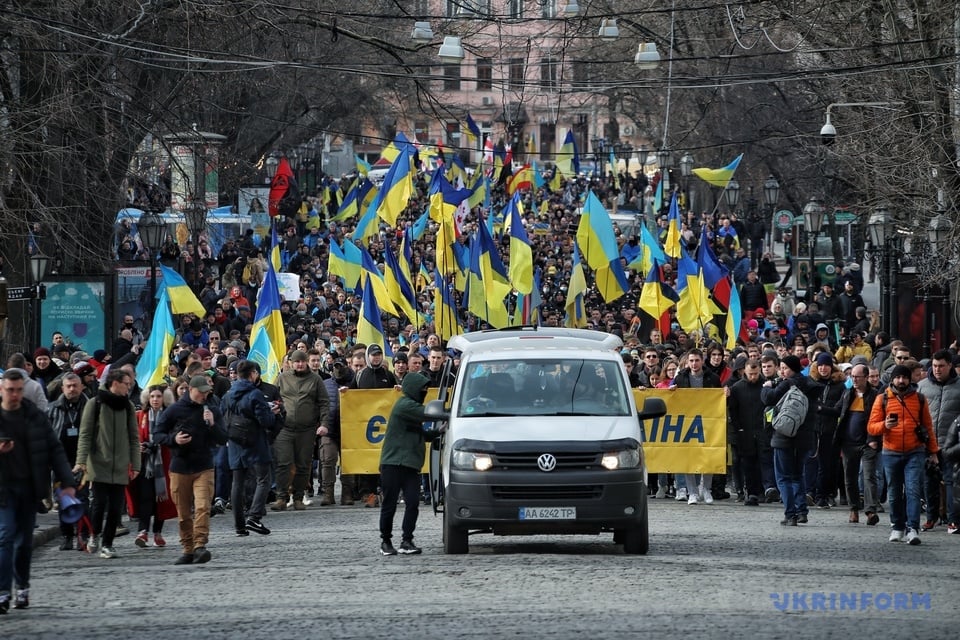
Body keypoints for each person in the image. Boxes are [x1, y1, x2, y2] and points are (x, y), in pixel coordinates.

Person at [0, 370, 78, 612]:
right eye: (10, 390)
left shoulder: (34, 416)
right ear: (2, 389)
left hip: (30, 488)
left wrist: (67, 483)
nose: (14, 395)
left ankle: (22, 588)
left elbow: (54, 450)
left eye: (18, 390)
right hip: (3, 490)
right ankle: (3, 592)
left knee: (23, 543)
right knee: (5, 538)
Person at [154, 375, 226, 565]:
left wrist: (212, 424)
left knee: (203, 507)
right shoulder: (174, 410)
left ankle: (200, 545)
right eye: (201, 392)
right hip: (180, 467)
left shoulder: (212, 410)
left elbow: (223, 438)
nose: (204, 395)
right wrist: (173, 440)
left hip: (204, 466)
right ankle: (188, 549)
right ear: (190, 390)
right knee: (183, 513)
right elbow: (157, 434)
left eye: (207, 392)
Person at [868, 365, 939, 544]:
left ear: (910, 380)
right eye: (898, 377)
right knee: (894, 492)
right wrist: (885, 425)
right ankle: (897, 526)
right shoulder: (882, 399)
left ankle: (913, 528)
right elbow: (871, 426)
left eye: (904, 377)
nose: (901, 381)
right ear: (892, 379)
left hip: (914, 451)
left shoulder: (920, 399)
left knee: (913, 489)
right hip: (891, 451)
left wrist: (933, 451)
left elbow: (928, 428)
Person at [74, 368, 140, 559]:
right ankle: (94, 534)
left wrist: (136, 464)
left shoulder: (127, 406)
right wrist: (81, 461)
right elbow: (85, 434)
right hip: (98, 462)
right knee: (99, 503)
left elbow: (134, 438)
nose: (129, 387)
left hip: (120, 464)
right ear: (115, 383)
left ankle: (108, 544)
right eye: (126, 384)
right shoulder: (95, 404)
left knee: (115, 507)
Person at [761, 355, 823, 526]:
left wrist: (766, 387)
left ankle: (790, 514)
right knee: (798, 475)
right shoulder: (810, 384)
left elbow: (768, 398)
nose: (782, 371)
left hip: (784, 437)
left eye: (784, 368)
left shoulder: (787, 383)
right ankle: (802, 511)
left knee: (783, 477)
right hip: (805, 438)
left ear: (792, 369)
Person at [378, 372, 433, 556]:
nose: (424, 391)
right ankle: (386, 541)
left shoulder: (409, 406)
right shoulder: (405, 405)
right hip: (393, 463)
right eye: (422, 389)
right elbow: (427, 414)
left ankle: (406, 540)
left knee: (412, 503)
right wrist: (452, 414)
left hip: (409, 464)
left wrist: (437, 433)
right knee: (390, 504)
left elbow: (419, 433)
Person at [224, 361, 279, 536]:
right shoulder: (255, 394)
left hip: (234, 441)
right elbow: (266, 421)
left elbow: (222, 414)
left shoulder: (228, 394)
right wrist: (274, 413)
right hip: (255, 440)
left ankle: (239, 526)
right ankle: (254, 517)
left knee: (237, 483)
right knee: (264, 479)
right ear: (253, 373)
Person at [273, 350, 329, 511]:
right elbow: (274, 398)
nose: (299, 364)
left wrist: (324, 423)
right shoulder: (282, 378)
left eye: (302, 361)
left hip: (307, 429)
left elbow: (324, 402)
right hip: (285, 427)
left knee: (303, 464)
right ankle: (281, 497)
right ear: (290, 362)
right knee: (283, 463)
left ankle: (298, 497)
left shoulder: (315, 379)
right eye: (296, 361)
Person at [126, 385, 177, 548]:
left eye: (158, 396)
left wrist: (163, 442)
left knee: (161, 499)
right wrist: (138, 447)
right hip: (144, 465)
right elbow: (131, 437)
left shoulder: (169, 417)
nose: (155, 399)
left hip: (163, 464)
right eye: (152, 396)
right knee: (145, 498)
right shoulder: (139, 416)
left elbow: (173, 438)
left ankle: (157, 532)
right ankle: (142, 531)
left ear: (164, 398)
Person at [916, 349, 960, 533]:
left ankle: (953, 520)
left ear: (950, 366)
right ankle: (931, 518)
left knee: (952, 483)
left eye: (941, 366)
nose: (937, 370)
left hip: (952, 444)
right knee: (929, 482)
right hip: (928, 443)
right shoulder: (922, 386)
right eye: (934, 366)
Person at [832, 363, 881, 525]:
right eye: (852, 376)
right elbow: (837, 410)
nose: (854, 379)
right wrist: (819, 408)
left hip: (868, 443)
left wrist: (874, 439)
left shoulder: (875, 396)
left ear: (866, 378)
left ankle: (870, 511)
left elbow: (879, 418)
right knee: (850, 478)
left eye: (857, 376)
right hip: (848, 443)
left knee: (869, 476)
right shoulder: (848, 393)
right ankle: (854, 509)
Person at [46, 373, 89, 550]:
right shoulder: (53, 409)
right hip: (60, 461)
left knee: (83, 498)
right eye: (68, 386)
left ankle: (83, 535)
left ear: (81, 387)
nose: (72, 389)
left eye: (75, 385)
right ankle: (67, 536)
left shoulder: (90, 406)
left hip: (83, 460)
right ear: (62, 388)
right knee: (63, 499)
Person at [672, 349, 721, 505]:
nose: (694, 364)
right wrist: (671, 390)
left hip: (708, 421)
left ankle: (706, 489)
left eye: (697, 360)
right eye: (691, 361)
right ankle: (692, 492)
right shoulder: (680, 378)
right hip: (687, 422)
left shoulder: (713, 378)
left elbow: (718, 398)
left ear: (702, 361)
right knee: (688, 458)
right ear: (687, 362)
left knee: (708, 455)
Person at [726, 359, 765, 506]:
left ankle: (764, 490)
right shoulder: (737, 388)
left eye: (755, 374)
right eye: (750, 374)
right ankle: (752, 492)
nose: (753, 377)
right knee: (748, 464)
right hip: (745, 431)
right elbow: (733, 410)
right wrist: (739, 428)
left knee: (763, 462)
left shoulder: (765, 385)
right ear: (744, 372)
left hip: (762, 430)